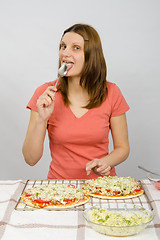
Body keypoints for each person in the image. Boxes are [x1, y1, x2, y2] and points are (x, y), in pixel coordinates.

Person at [22, 23, 130, 179]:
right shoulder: (44, 94)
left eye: (76, 48)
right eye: (63, 46)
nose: (65, 53)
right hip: (60, 190)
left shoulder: (111, 92)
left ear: (92, 54)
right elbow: (30, 159)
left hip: (101, 188)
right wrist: (41, 119)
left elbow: (123, 148)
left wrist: (105, 162)